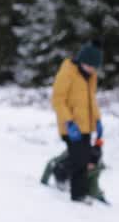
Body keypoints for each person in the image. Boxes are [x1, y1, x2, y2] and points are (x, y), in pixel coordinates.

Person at [43, 42, 107, 203]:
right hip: (70, 127)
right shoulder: (67, 73)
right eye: (89, 65)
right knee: (81, 159)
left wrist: (98, 120)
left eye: (95, 67)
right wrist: (69, 122)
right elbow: (58, 100)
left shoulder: (91, 77)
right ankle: (79, 195)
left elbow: (91, 101)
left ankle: (59, 171)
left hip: (86, 126)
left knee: (84, 156)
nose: (92, 69)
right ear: (81, 61)